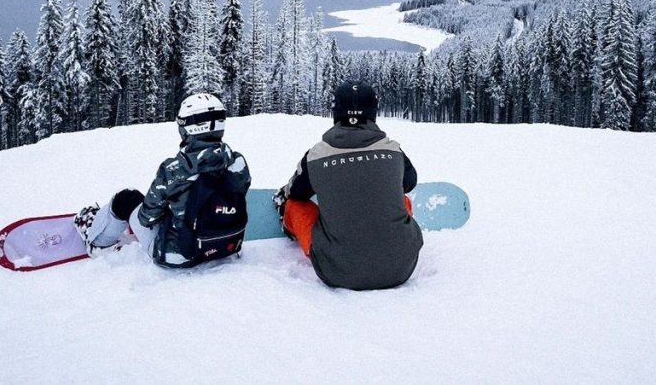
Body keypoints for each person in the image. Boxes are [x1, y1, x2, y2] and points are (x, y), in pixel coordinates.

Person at [274, 80, 423, 290]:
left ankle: (288, 223)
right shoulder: (394, 150)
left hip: (335, 271)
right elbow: (410, 183)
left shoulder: (317, 155)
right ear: (373, 112)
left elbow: (296, 193)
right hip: (402, 268)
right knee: (402, 199)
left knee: (293, 205)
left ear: (336, 112)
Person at [74, 93, 251, 268]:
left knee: (126, 198)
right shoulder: (239, 163)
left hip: (178, 255)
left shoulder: (174, 169)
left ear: (188, 128)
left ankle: (97, 242)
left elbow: (146, 217)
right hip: (226, 246)